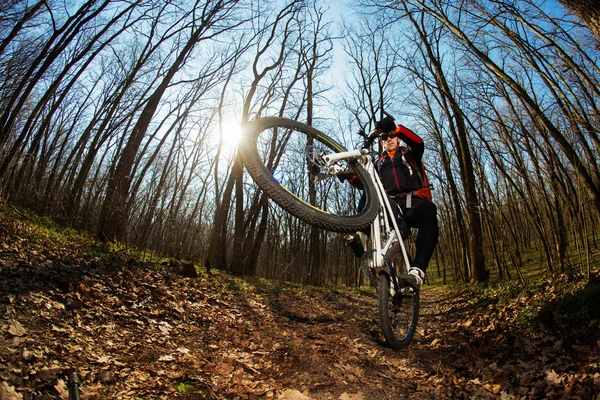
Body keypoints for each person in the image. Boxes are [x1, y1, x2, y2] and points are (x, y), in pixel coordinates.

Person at [345, 116, 439, 287]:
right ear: (380, 142)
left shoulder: (409, 154)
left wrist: (396, 129)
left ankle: (417, 270)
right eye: (384, 137)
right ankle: (361, 238)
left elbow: (419, 143)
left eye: (391, 136)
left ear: (397, 138)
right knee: (370, 190)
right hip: (390, 207)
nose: (388, 139)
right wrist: (349, 177)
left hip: (413, 204)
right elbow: (363, 183)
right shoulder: (379, 163)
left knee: (428, 209)